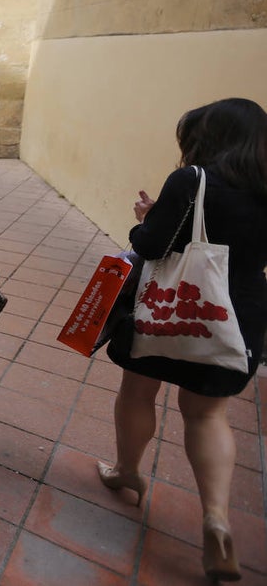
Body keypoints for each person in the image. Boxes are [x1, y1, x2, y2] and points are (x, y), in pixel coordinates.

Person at [100, 99, 267, 583]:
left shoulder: (193, 179)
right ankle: (216, 517)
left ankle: (127, 470)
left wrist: (145, 217)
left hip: (172, 307)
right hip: (238, 316)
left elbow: (151, 244)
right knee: (208, 412)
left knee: (138, 391)